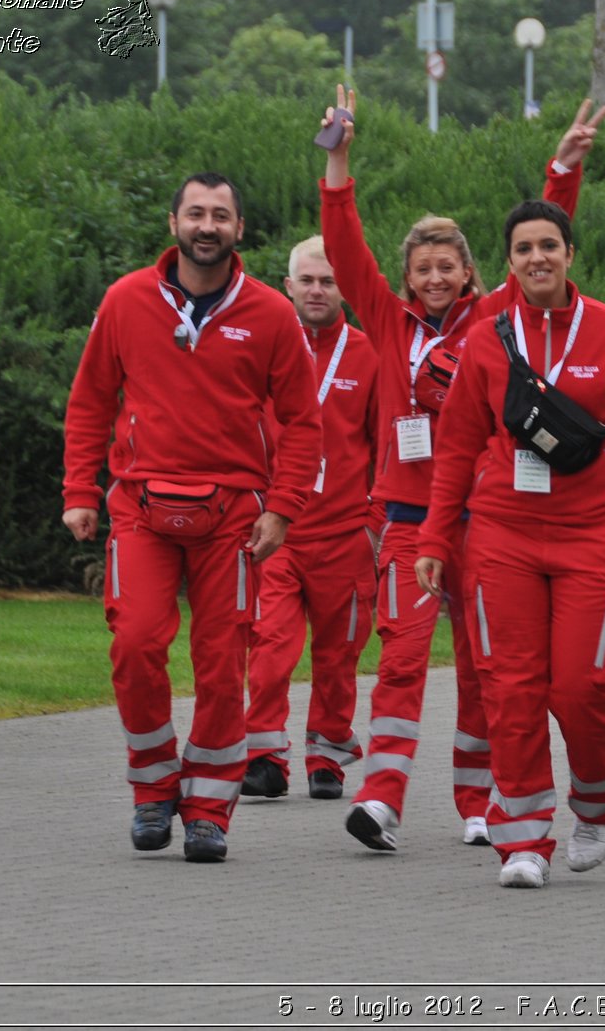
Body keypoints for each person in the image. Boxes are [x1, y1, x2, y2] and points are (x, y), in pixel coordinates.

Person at [318, 85, 605, 852]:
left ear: (469, 273)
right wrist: (338, 162)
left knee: (486, 669)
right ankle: (380, 799)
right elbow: (343, 247)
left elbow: (537, 251)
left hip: (484, 521)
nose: (436, 280)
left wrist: (563, 168)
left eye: (448, 267)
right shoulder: (383, 320)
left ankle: (480, 798)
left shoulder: (493, 321)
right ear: (406, 277)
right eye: (423, 270)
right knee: (402, 662)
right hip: (408, 523)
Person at [62, 173, 322, 862]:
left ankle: (208, 807)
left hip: (233, 519)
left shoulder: (271, 313)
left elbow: (302, 421)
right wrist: (79, 492)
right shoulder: (124, 300)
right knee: (136, 645)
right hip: (141, 508)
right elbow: (90, 399)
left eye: (222, 215)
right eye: (197, 213)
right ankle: (153, 791)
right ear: (174, 220)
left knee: (219, 665)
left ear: (240, 229)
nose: (208, 225)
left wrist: (284, 509)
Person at [415, 199, 605, 889]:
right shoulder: (487, 340)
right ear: (509, 263)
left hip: (594, 537)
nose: (537, 258)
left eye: (549, 245)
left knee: (583, 686)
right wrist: (438, 534)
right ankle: (522, 837)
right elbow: (459, 444)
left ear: (569, 253)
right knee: (511, 688)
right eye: (524, 248)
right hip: (502, 537)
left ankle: (596, 803)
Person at [242, 236, 379, 802]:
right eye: (307, 280)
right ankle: (265, 757)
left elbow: (386, 443)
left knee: (338, 653)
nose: (317, 290)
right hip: (278, 531)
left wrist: (373, 525)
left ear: (343, 287)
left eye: (327, 281)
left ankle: (328, 754)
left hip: (346, 534)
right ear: (288, 285)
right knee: (270, 645)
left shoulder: (370, 354)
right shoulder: (265, 346)